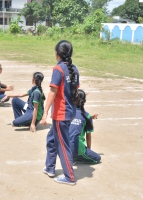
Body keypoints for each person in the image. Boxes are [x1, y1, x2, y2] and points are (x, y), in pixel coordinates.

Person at [41, 40, 80, 186]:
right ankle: (50, 167)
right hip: (70, 111)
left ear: (57, 54)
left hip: (61, 113)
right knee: (52, 139)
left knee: (63, 145)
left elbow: (53, 91)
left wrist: (45, 112)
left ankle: (69, 176)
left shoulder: (58, 69)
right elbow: (76, 90)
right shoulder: (74, 69)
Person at [69, 89, 101, 164]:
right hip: (77, 149)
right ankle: (76, 157)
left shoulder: (68, 113)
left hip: (65, 148)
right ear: (84, 101)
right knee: (97, 158)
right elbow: (88, 136)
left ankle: (71, 156)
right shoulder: (87, 116)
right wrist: (89, 150)